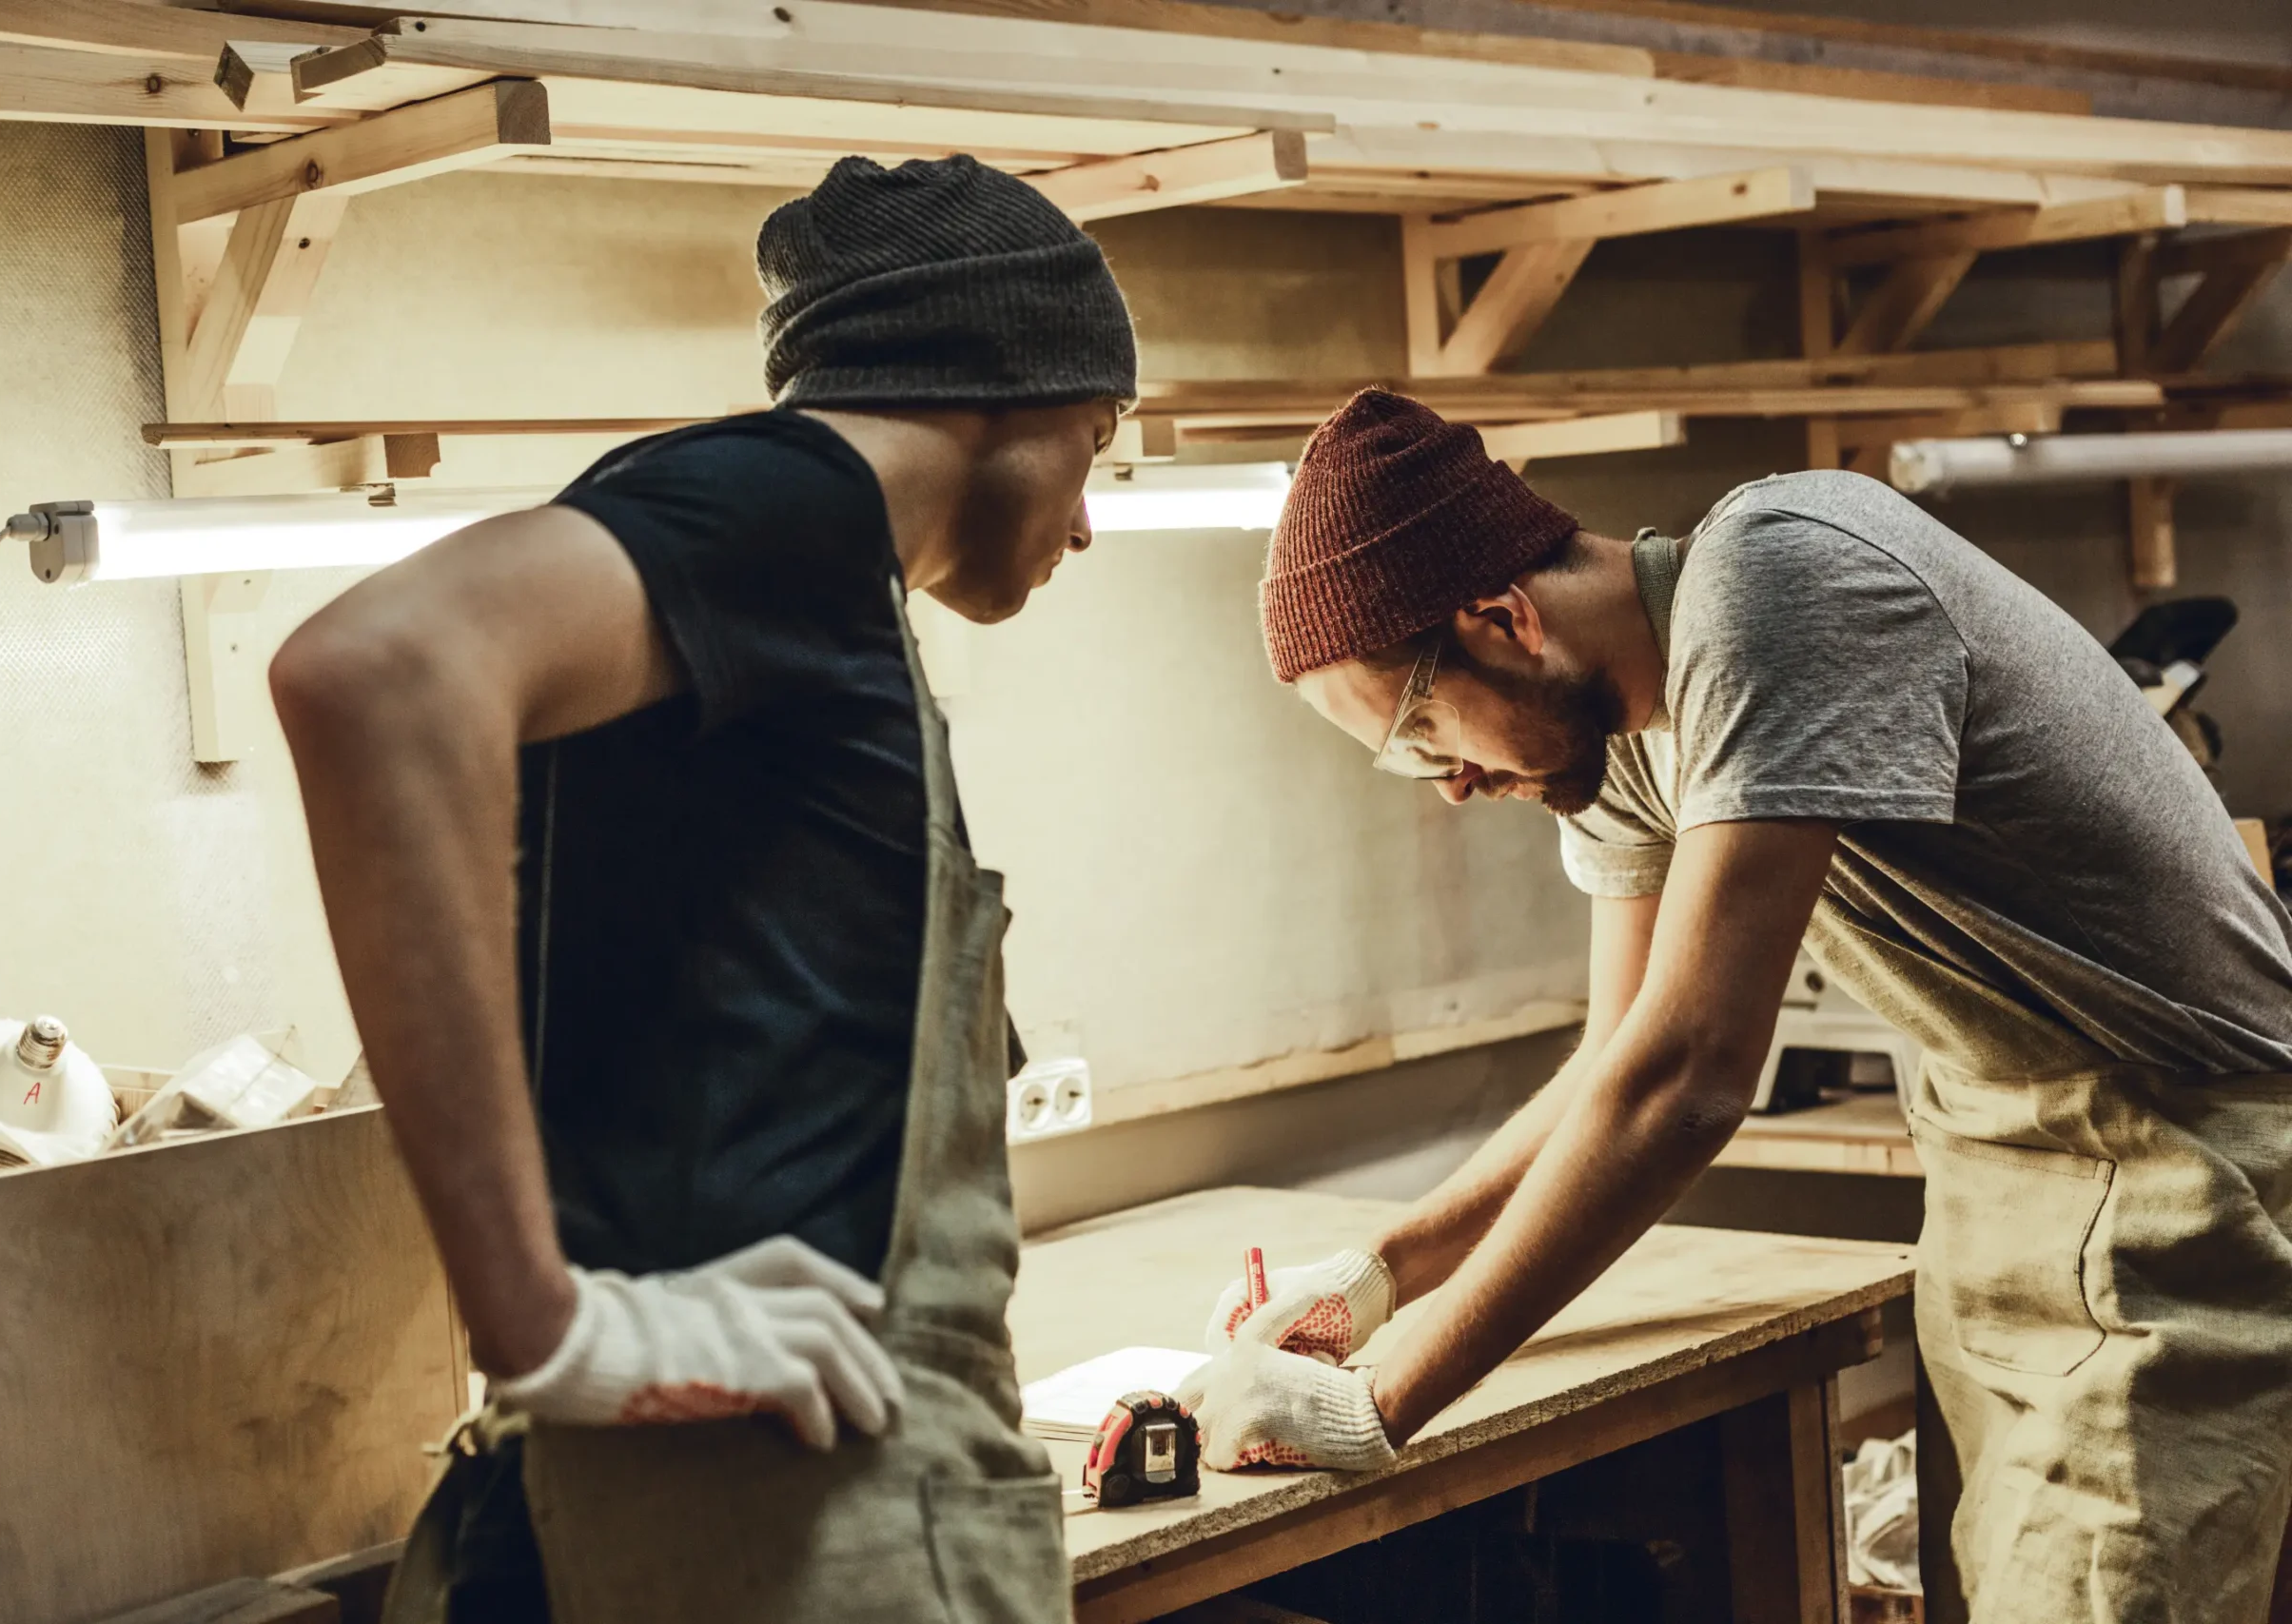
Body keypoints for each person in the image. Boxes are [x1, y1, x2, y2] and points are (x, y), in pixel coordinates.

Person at [1181, 387, 2292, 1623]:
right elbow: (1618, 1054)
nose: (1445, 783)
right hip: (1995, 1171)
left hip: (2190, 1163)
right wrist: (1378, 1274)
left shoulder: (1777, 578)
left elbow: (1688, 1078)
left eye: (1420, 726)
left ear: (1501, 616)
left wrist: (1376, 1403)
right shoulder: (1607, 744)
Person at [269, 154, 1134, 1624]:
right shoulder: (787, 507)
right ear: (1017, 383)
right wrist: (544, 1324)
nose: (1089, 518)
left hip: (738, 1497)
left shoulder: (798, 571)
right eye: (1101, 446)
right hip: (783, 1525)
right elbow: (374, 670)